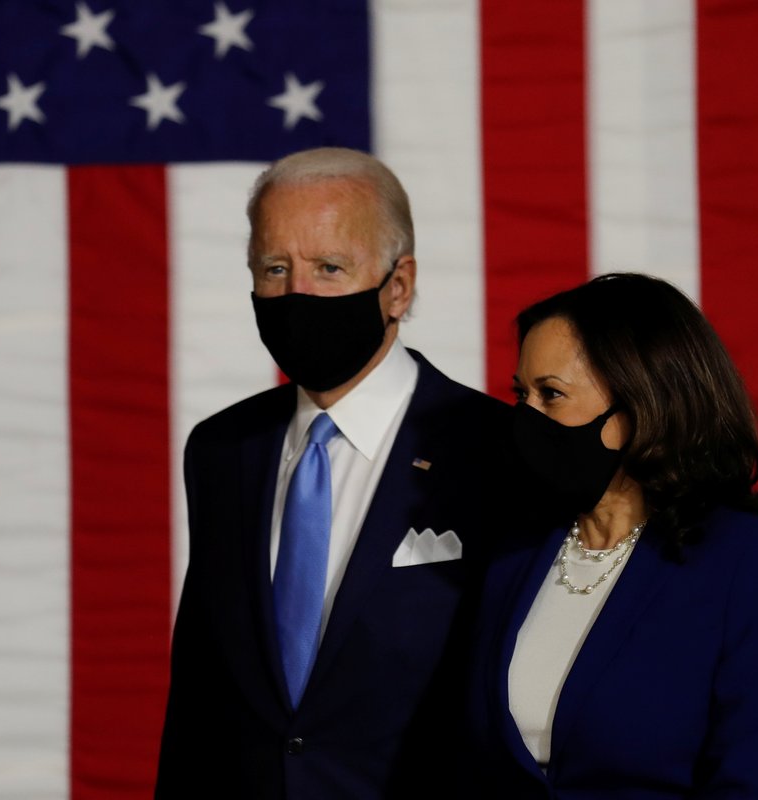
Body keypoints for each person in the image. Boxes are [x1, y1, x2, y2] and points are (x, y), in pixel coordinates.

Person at [156, 147, 514, 799]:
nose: (297, 294)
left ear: (398, 286)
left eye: (328, 267)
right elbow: (202, 698)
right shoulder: (222, 448)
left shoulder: (497, 448)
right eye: (274, 268)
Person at [466, 272, 758, 798]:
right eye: (522, 394)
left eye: (551, 394)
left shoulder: (754, 564)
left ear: (639, 406)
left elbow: (750, 779)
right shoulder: (513, 551)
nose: (525, 418)